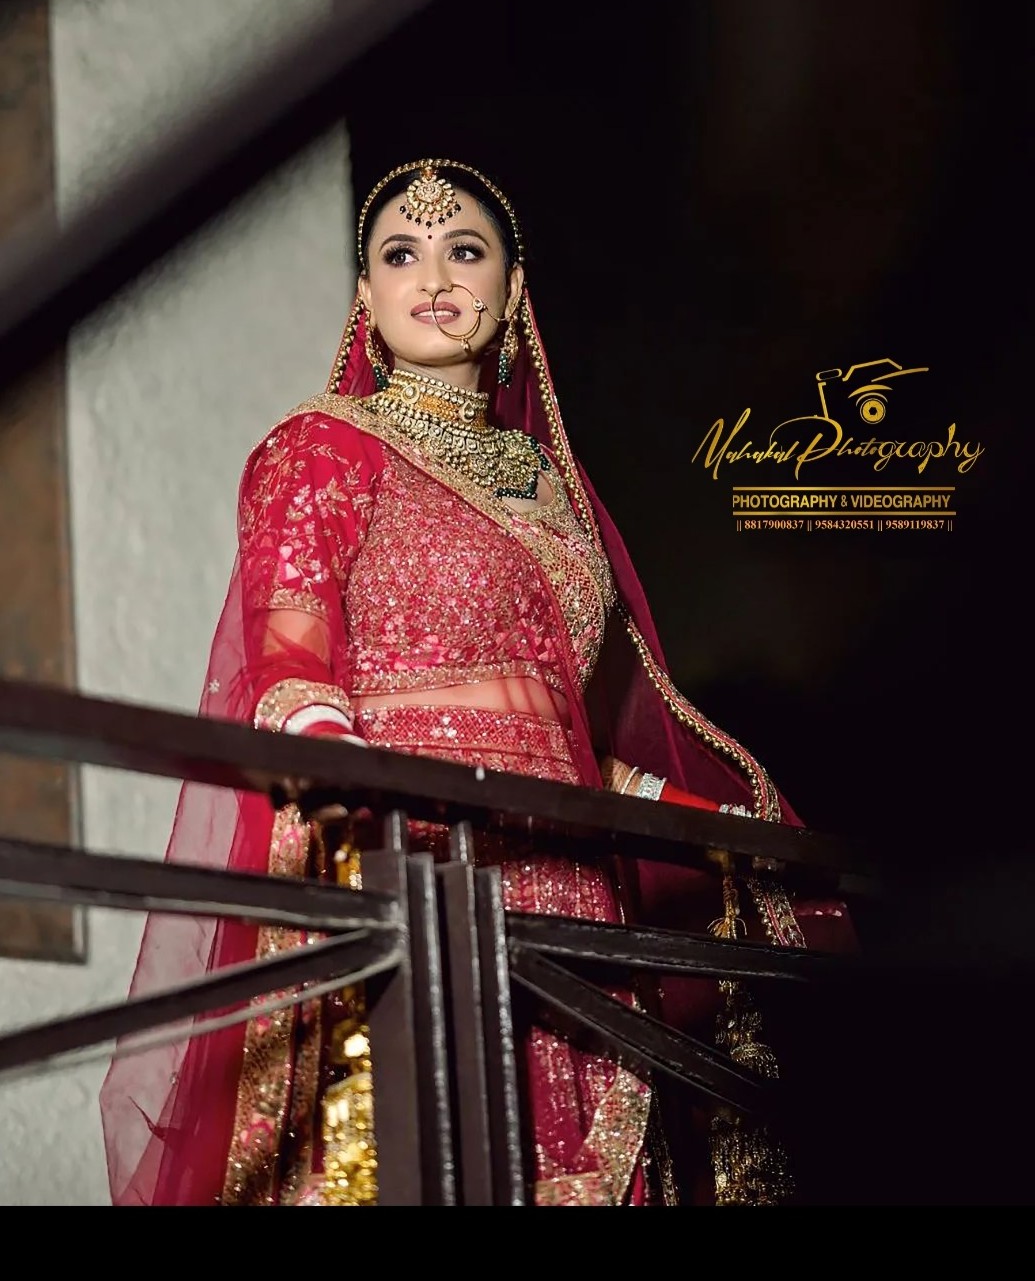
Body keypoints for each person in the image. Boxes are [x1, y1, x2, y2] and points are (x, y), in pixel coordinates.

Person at [99, 157, 853, 1207]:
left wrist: (700, 818)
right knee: (425, 1157)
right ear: (366, 296)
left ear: (513, 287)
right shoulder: (320, 449)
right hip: (411, 856)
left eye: (465, 250)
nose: (434, 275)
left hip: (566, 884)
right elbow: (289, 663)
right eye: (399, 254)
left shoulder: (553, 493)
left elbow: (580, 737)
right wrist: (351, 784)